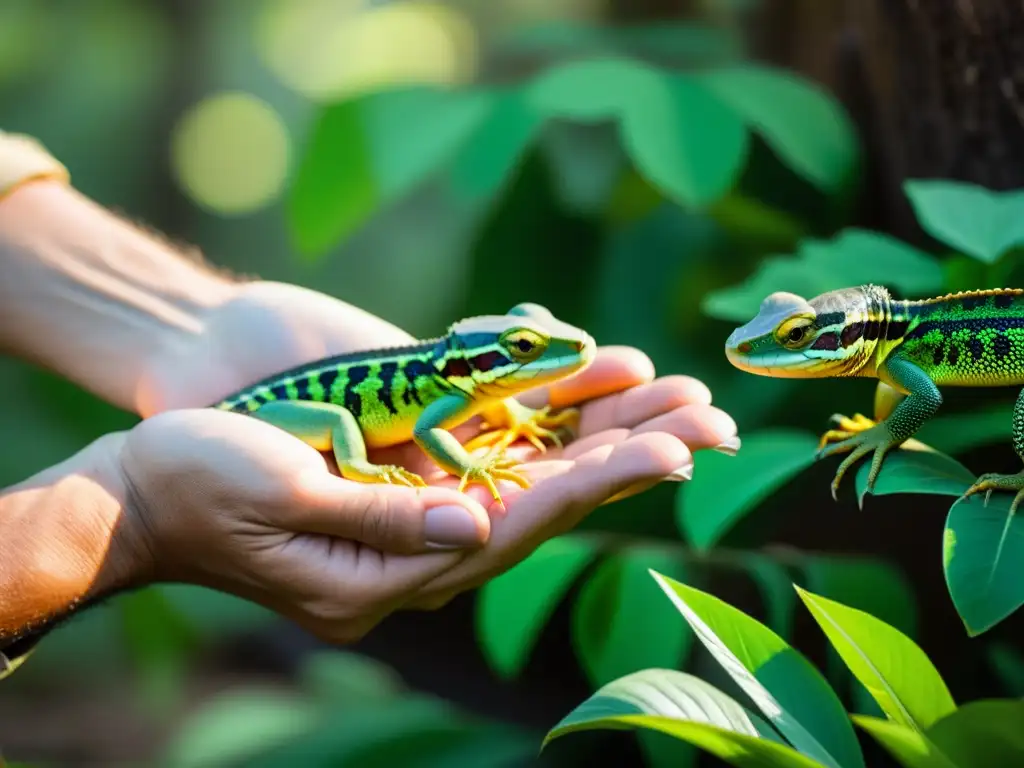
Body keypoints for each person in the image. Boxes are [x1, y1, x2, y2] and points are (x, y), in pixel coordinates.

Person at [0, 130, 740, 676]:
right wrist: (131, 515)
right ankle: (352, 460)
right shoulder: (443, 392)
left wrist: (188, 324)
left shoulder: (466, 385)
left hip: (262, 389)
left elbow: (471, 412)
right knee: (339, 424)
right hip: (260, 413)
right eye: (521, 352)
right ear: (481, 361)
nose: (552, 355)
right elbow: (435, 435)